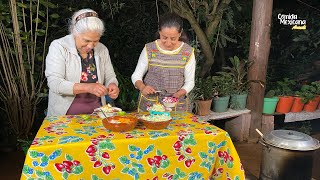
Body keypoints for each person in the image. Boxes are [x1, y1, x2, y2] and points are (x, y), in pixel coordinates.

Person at [45, 9, 119, 116]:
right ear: (74, 32)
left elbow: (110, 76)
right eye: (86, 40)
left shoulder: (102, 49)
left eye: (95, 41)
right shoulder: (59, 47)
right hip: (64, 118)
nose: (91, 46)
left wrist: (112, 85)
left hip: (97, 115)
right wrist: (89, 87)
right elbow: (55, 83)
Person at [131, 12, 196, 112]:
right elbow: (136, 76)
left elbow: (190, 82)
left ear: (180, 33)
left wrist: (178, 94)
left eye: (173, 38)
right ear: (159, 32)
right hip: (151, 103)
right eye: (164, 37)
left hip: (177, 105)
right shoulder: (149, 49)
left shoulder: (187, 52)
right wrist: (142, 87)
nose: (168, 43)